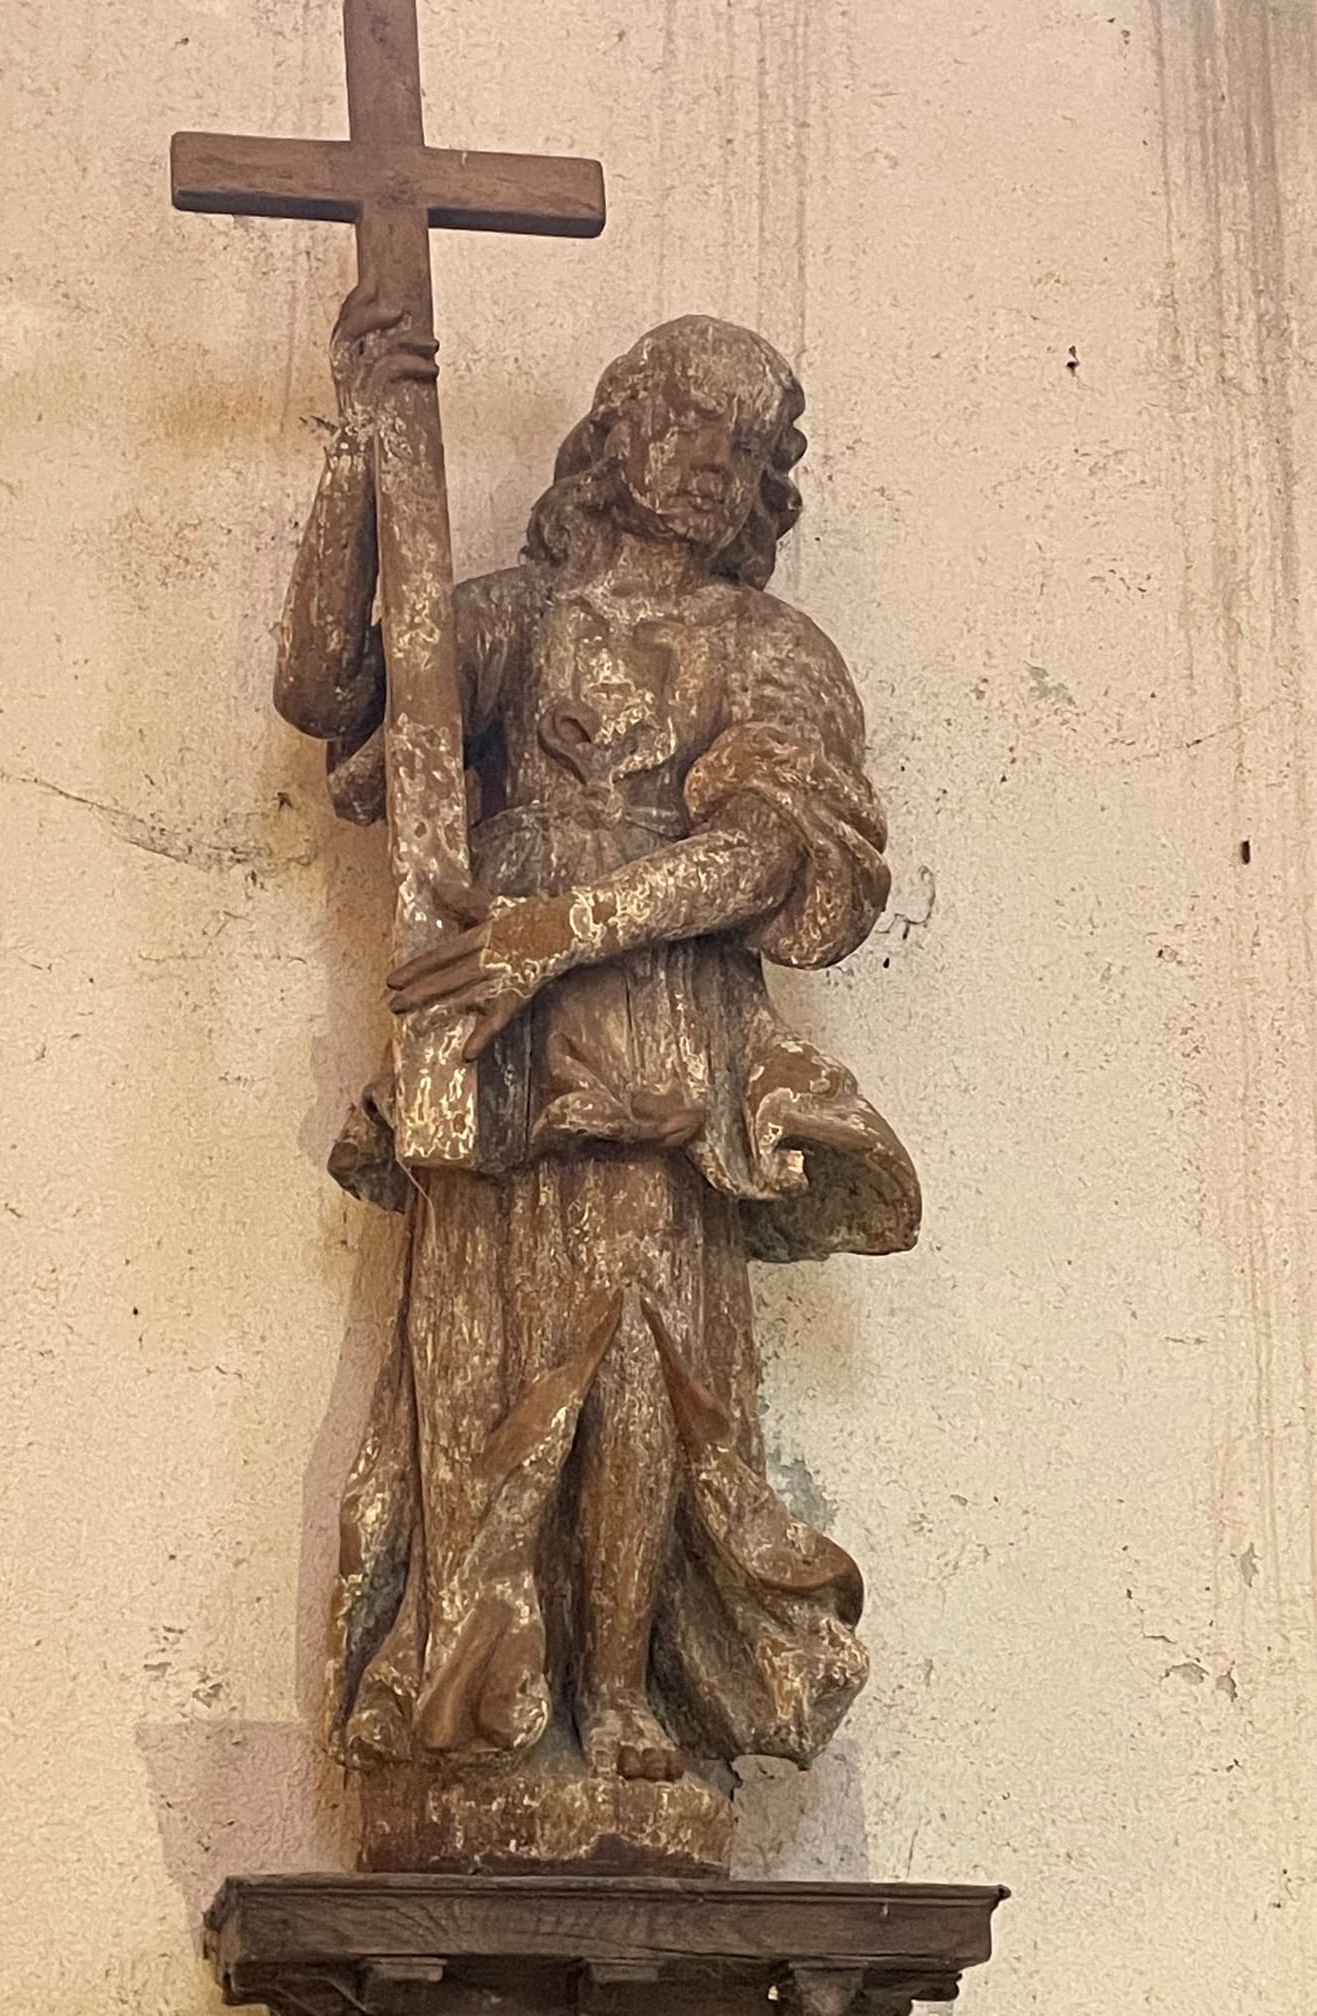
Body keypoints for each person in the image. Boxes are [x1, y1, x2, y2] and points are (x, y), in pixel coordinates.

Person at [276, 286, 921, 1793]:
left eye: (746, 447)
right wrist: (363, 443)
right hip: (482, 1046)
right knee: (476, 1353)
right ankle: (475, 1689)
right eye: (687, 422)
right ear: (617, 434)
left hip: (653, 1032)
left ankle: (623, 1691)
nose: (709, 465)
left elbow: (768, 852)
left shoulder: (768, 649)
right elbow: (330, 688)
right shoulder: (517, 618)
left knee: (644, 1359)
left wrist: (550, 934)